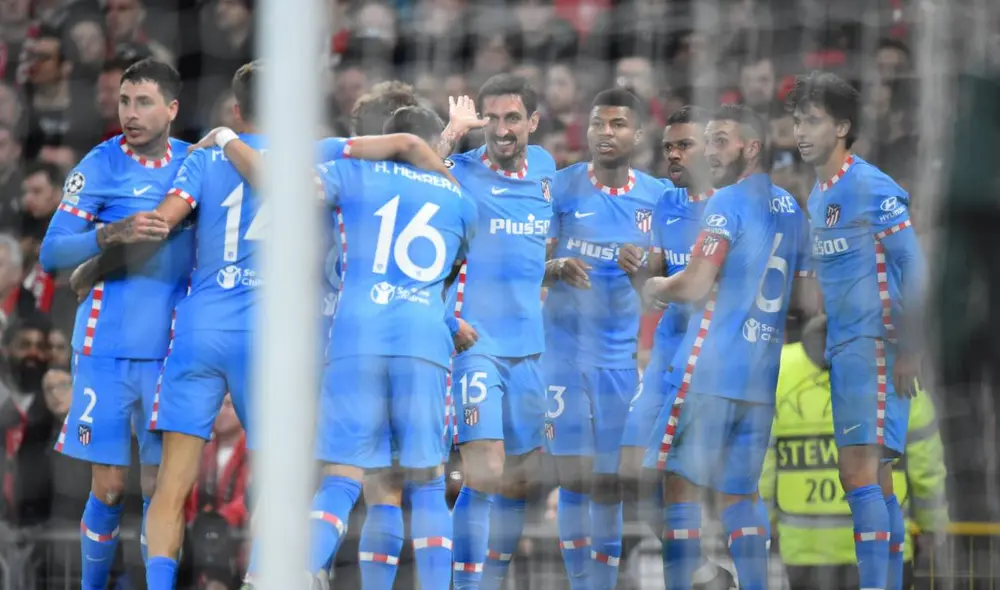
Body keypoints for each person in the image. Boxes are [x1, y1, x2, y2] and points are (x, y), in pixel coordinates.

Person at [304, 105, 477, 590]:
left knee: (344, 477)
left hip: (355, 338)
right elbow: (449, 274)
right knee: (425, 482)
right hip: (422, 340)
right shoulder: (465, 203)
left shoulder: (356, 172)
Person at [38, 58, 193, 590]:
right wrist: (108, 236)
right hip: (103, 349)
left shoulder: (196, 165)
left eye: (144, 102)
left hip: (171, 351)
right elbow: (51, 254)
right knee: (107, 486)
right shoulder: (100, 164)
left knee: (161, 488)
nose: (130, 113)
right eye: (125, 101)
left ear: (172, 109)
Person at [643, 104, 812, 590]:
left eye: (720, 141)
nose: (710, 152)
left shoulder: (726, 203)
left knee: (678, 488)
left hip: (711, 371)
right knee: (740, 496)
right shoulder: (791, 209)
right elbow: (806, 298)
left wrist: (658, 285)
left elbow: (694, 286)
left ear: (751, 147)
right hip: (760, 379)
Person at [788, 71, 926, 590]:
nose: (801, 131)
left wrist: (910, 347)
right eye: (798, 120)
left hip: (875, 344)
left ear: (843, 126)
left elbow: (914, 262)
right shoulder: (819, 195)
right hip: (848, 347)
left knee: (857, 477)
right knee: (879, 481)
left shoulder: (869, 184)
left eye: (813, 121)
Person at [435, 75, 558, 590]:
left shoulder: (548, 169)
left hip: (530, 351)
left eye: (513, 118)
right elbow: (405, 186)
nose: (502, 130)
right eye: (492, 119)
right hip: (474, 344)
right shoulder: (458, 172)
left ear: (532, 122)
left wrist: (554, 268)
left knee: (520, 481)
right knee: (484, 473)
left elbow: (534, 248)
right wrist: (450, 134)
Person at [541, 88, 664, 589]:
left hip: (618, 359)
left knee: (611, 484)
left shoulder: (658, 197)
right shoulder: (560, 187)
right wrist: (554, 267)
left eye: (617, 124)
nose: (605, 133)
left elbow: (670, 280)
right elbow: (528, 264)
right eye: (597, 124)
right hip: (563, 356)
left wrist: (648, 267)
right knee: (574, 479)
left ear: (638, 134)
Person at [759, 315, 950, 590]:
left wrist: (766, 523)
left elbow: (762, 464)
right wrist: (932, 527)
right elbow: (926, 465)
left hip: (807, 551)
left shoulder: (778, 371)